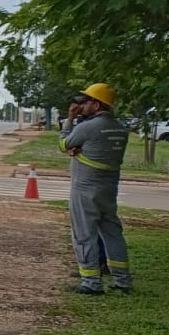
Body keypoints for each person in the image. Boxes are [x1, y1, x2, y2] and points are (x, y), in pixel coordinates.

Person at [60, 82, 131, 295]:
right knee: (112, 233)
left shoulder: (87, 127)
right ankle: (122, 281)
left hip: (85, 188)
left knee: (84, 235)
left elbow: (63, 144)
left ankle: (91, 283)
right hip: (108, 189)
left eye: (86, 101)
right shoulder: (121, 129)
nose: (82, 105)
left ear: (97, 105)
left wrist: (70, 119)